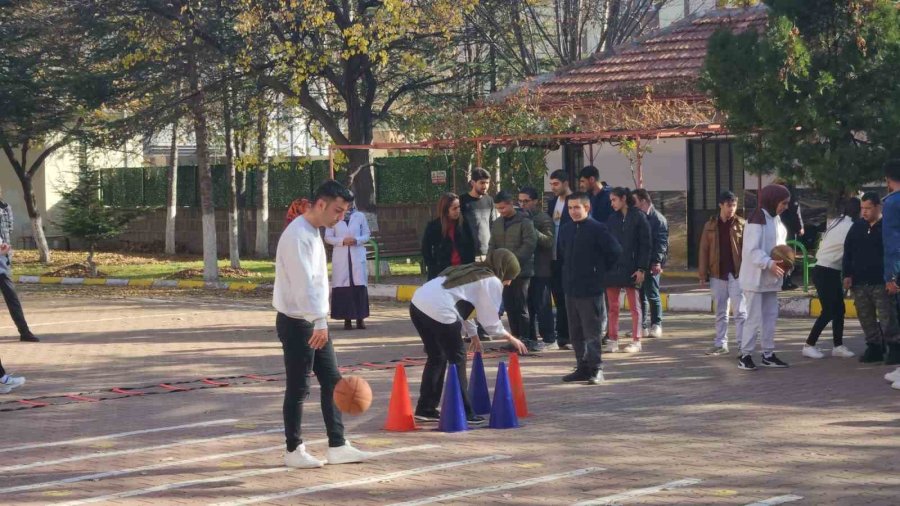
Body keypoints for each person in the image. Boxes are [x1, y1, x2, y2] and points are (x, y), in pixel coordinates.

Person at [273, 180, 371, 469]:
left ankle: (337, 444)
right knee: (299, 387)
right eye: (338, 211)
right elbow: (304, 284)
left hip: (315, 321)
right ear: (320, 205)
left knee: (333, 381)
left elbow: (315, 282)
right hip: (298, 322)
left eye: (344, 212)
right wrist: (318, 320)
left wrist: (320, 320)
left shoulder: (314, 231)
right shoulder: (297, 236)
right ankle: (293, 449)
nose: (340, 218)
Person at [410, 249, 528, 423]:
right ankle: (465, 411)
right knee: (457, 358)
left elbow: (464, 306)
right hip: (439, 310)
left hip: (417, 304)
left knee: (437, 357)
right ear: (503, 270)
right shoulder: (491, 280)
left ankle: (425, 408)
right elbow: (490, 322)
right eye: (510, 276)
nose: (509, 283)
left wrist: (473, 335)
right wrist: (511, 337)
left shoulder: (473, 269)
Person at [558, 192, 622, 384]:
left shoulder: (598, 229)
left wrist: (598, 273)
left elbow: (615, 252)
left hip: (591, 289)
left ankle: (596, 369)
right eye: (570, 208)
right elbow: (563, 253)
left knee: (591, 332)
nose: (573, 212)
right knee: (575, 332)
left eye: (577, 207)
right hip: (571, 289)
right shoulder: (566, 229)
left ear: (587, 208)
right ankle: (582, 367)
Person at [737, 184, 791, 371]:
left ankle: (768, 354)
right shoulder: (756, 220)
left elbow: (781, 248)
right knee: (753, 317)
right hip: (754, 279)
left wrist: (787, 262)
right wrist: (769, 263)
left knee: (770, 316)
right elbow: (752, 251)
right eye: (783, 203)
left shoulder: (776, 221)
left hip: (771, 279)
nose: (785, 207)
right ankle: (745, 355)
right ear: (773, 200)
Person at [844, 191, 899, 365]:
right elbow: (848, 252)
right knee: (865, 316)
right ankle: (874, 347)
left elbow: (893, 252)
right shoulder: (857, 226)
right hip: (860, 282)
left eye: (868, 208)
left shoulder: (887, 227)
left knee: (887, 317)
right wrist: (846, 274)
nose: (864, 212)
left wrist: (893, 277)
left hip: (881, 281)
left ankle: (895, 348)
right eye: (862, 208)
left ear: (878, 207)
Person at [802, 197, 860, 359]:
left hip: (828, 270)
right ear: (858, 211)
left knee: (839, 309)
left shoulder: (838, 222)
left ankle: (838, 346)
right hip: (825, 270)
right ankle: (809, 345)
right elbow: (853, 253)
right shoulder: (851, 227)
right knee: (829, 311)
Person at [698, 191, 747, 356]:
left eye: (734, 205)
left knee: (740, 312)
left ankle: (742, 346)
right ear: (721, 205)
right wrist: (702, 273)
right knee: (720, 311)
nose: (731, 209)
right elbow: (704, 250)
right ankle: (720, 344)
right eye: (728, 205)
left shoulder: (742, 224)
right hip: (717, 274)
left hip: (737, 274)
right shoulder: (710, 225)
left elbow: (747, 250)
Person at [488, 190, 537, 350]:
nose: (500, 211)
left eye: (502, 208)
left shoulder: (525, 221)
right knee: (509, 306)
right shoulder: (497, 223)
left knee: (521, 306)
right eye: (498, 209)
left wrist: (511, 263)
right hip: (502, 273)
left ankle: (526, 339)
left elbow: (529, 244)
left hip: (521, 272)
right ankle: (514, 338)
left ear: (510, 204)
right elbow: (492, 245)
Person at [603, 187, 650, 353]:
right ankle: (613, 339)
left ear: (624, 198)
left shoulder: (639, 217)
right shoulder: (611, 219)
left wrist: (642, 269)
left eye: (614, 200)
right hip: (612, 270)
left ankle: (636, 341)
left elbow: (646, 245)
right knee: (613, 307)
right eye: (610, 200)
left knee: (634, 308)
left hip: (632, 269)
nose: (612, 203)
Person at [518, 186, 557, 351]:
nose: (522, 205)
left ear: (535, 201)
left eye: (526, 201)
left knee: (542, 305)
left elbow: (548, 241)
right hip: (525, 270)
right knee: (528, 307)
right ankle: (530, 338)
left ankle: (549, 338)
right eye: (519, 201)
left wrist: (531, 228)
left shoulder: (544, 219)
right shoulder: (518, 218)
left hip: (541, 269)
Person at [324, 202, 371, 330]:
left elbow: (367, 234)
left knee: (359, 286)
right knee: (344, 289)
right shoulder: (333, 216)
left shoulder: (359, 216)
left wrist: (357, 240)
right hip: (342, 256)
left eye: (349, 201)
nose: (348, 204)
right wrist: (342, 241)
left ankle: (360, 319)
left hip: (356, 255)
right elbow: (328, 237)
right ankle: (347, 320)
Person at [0, 196, 37, 342]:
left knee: (12, 297)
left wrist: (4, 249)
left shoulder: (4, 207)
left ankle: (25, 331)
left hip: (2, 260)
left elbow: (8, 229)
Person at [634, 189, 668, 339]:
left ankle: (657, 324)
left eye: (635, 201)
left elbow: (661, 244)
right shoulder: (639, 217)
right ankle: (643, 325)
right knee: (641, 295)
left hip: (652, 262)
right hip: (640, 261)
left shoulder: (658, 219)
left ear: (643, 201)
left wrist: (657, 262)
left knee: (652, 294)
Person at [422, 193, 476, 280]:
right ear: (446, 211)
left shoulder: (464, 224)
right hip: (442, 272)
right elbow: (425, 250)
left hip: (462, 271)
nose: (458, 210)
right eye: (454, 208)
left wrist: (470, 268)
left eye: (459, 207)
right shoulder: (433, 227)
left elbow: (471, 247)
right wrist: (433, 267)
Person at [548, 169, 573, 350]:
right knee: (558, 297)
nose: (553, 187)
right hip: (553, 258)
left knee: (570, 298)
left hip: (570, 258)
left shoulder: (576, 202)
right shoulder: (552, 203)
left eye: (556, 184)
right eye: (551, 184)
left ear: (565, 183)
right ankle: (562, 335)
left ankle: (572, 335)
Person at [459, 168, 496, 261]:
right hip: (468, 253)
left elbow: (493, 225)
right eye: (482, 183)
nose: (485, 186)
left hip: (487, 252)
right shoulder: (462, 200)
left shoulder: (489, 200)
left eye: (487, 183)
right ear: (473, 183)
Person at [778, 182, 804, 290]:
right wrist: (800, 228)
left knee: (781, 255)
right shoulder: (791, 198)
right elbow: (796, 215)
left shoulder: (778, 199)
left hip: (780, 229)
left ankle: (784, 281)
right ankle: (786, 281)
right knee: (788, 257)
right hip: (789, 231)